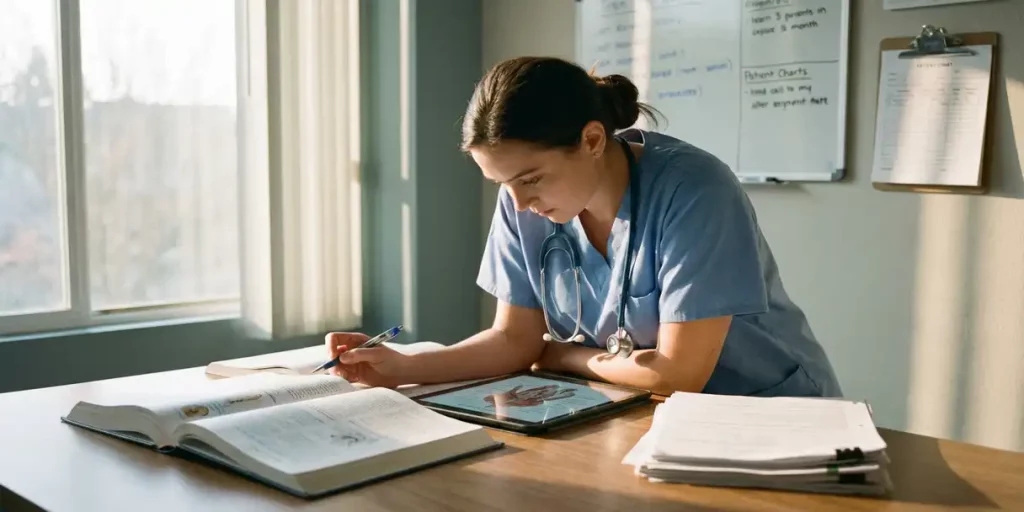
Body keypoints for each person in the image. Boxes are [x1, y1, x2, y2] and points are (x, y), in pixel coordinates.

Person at [326, 56, 842, 398]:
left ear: (593, 140)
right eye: (500, 183)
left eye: (529, 178)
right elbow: (513, 341)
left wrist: (560, 354)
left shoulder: (696, 191)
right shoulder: (523, 201)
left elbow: (679, 373)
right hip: (640, 416)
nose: (518, 202)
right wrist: (398, 367)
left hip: (767, 416)